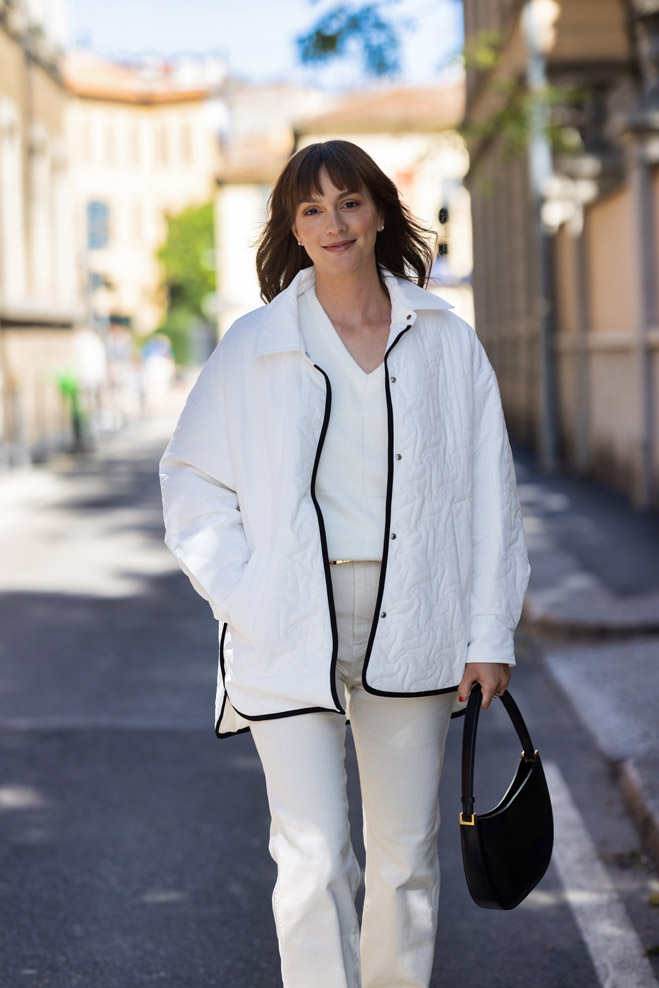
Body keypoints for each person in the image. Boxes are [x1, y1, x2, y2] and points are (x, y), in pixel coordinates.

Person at [159, 140, 530, 988]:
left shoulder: (442, 339)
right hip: (286, 623)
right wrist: (246, 593)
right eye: (311, 210)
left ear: (379, 212)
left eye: (349, 202)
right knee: (313, 858)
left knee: (405, 861)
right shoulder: (252, 346)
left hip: (417, 619)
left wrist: (488, 631)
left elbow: (488, 495)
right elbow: (190, 483)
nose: (334, 224)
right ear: (292, 229)